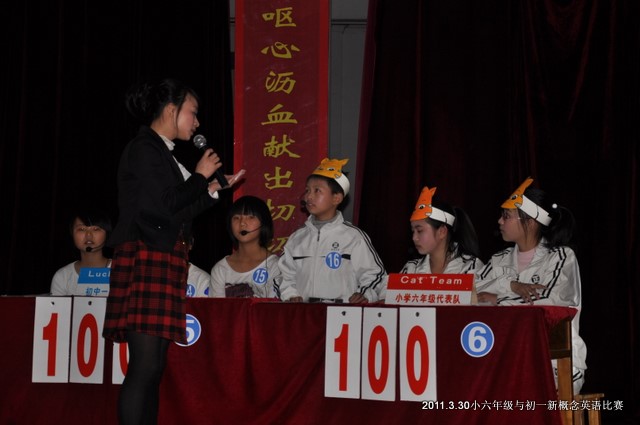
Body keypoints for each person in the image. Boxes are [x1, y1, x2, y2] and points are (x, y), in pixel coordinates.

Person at [102, 78, 245, 425]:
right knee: (144, 366)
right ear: (171, 110)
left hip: (164, 258)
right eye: (192, 113)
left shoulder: (163, 153)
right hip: (145, 257)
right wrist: (200, 175)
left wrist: (213, 187)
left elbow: (178, 210)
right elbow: (165, 204)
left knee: (155, 366)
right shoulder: (144, 149)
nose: (197, 122)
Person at [475, 177, 587, 394]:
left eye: (506, 216)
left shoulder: (560, 257)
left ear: (531, 222)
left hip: (555, 362)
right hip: (506, 357)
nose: (499, 221)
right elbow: (471, 293)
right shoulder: (498, 260)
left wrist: (497, 300)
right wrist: (510, 285)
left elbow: (550, 304)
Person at [275, 158, 387, 303]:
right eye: (307, 190)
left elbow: (375, 275)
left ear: (336, 198)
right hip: (304, 312)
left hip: (341, 312)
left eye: (317, 191)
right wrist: (290, 295)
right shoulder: (297, 238)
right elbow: (283, 275)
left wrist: (364, 294)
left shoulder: (354, 237)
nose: (309, 196)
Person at [401, 185, 483, 275]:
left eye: (419, 231)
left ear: (442, 232)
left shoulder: (470, 267)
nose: (414, 238)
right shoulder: (411, 269)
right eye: (413, 231)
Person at [210, 195, 280, 298]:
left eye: (250, 217)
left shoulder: (275, 265)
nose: (242, 223)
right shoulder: (220, 269)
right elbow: (217, 307)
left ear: (264, 223)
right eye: (236, 218)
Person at [50, 209, 113, 296]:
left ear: (107, 233)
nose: (88, 235)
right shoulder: (63, 276)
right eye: (82, 229)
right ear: (72, 234)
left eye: (96, 229)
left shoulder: (120, 270)